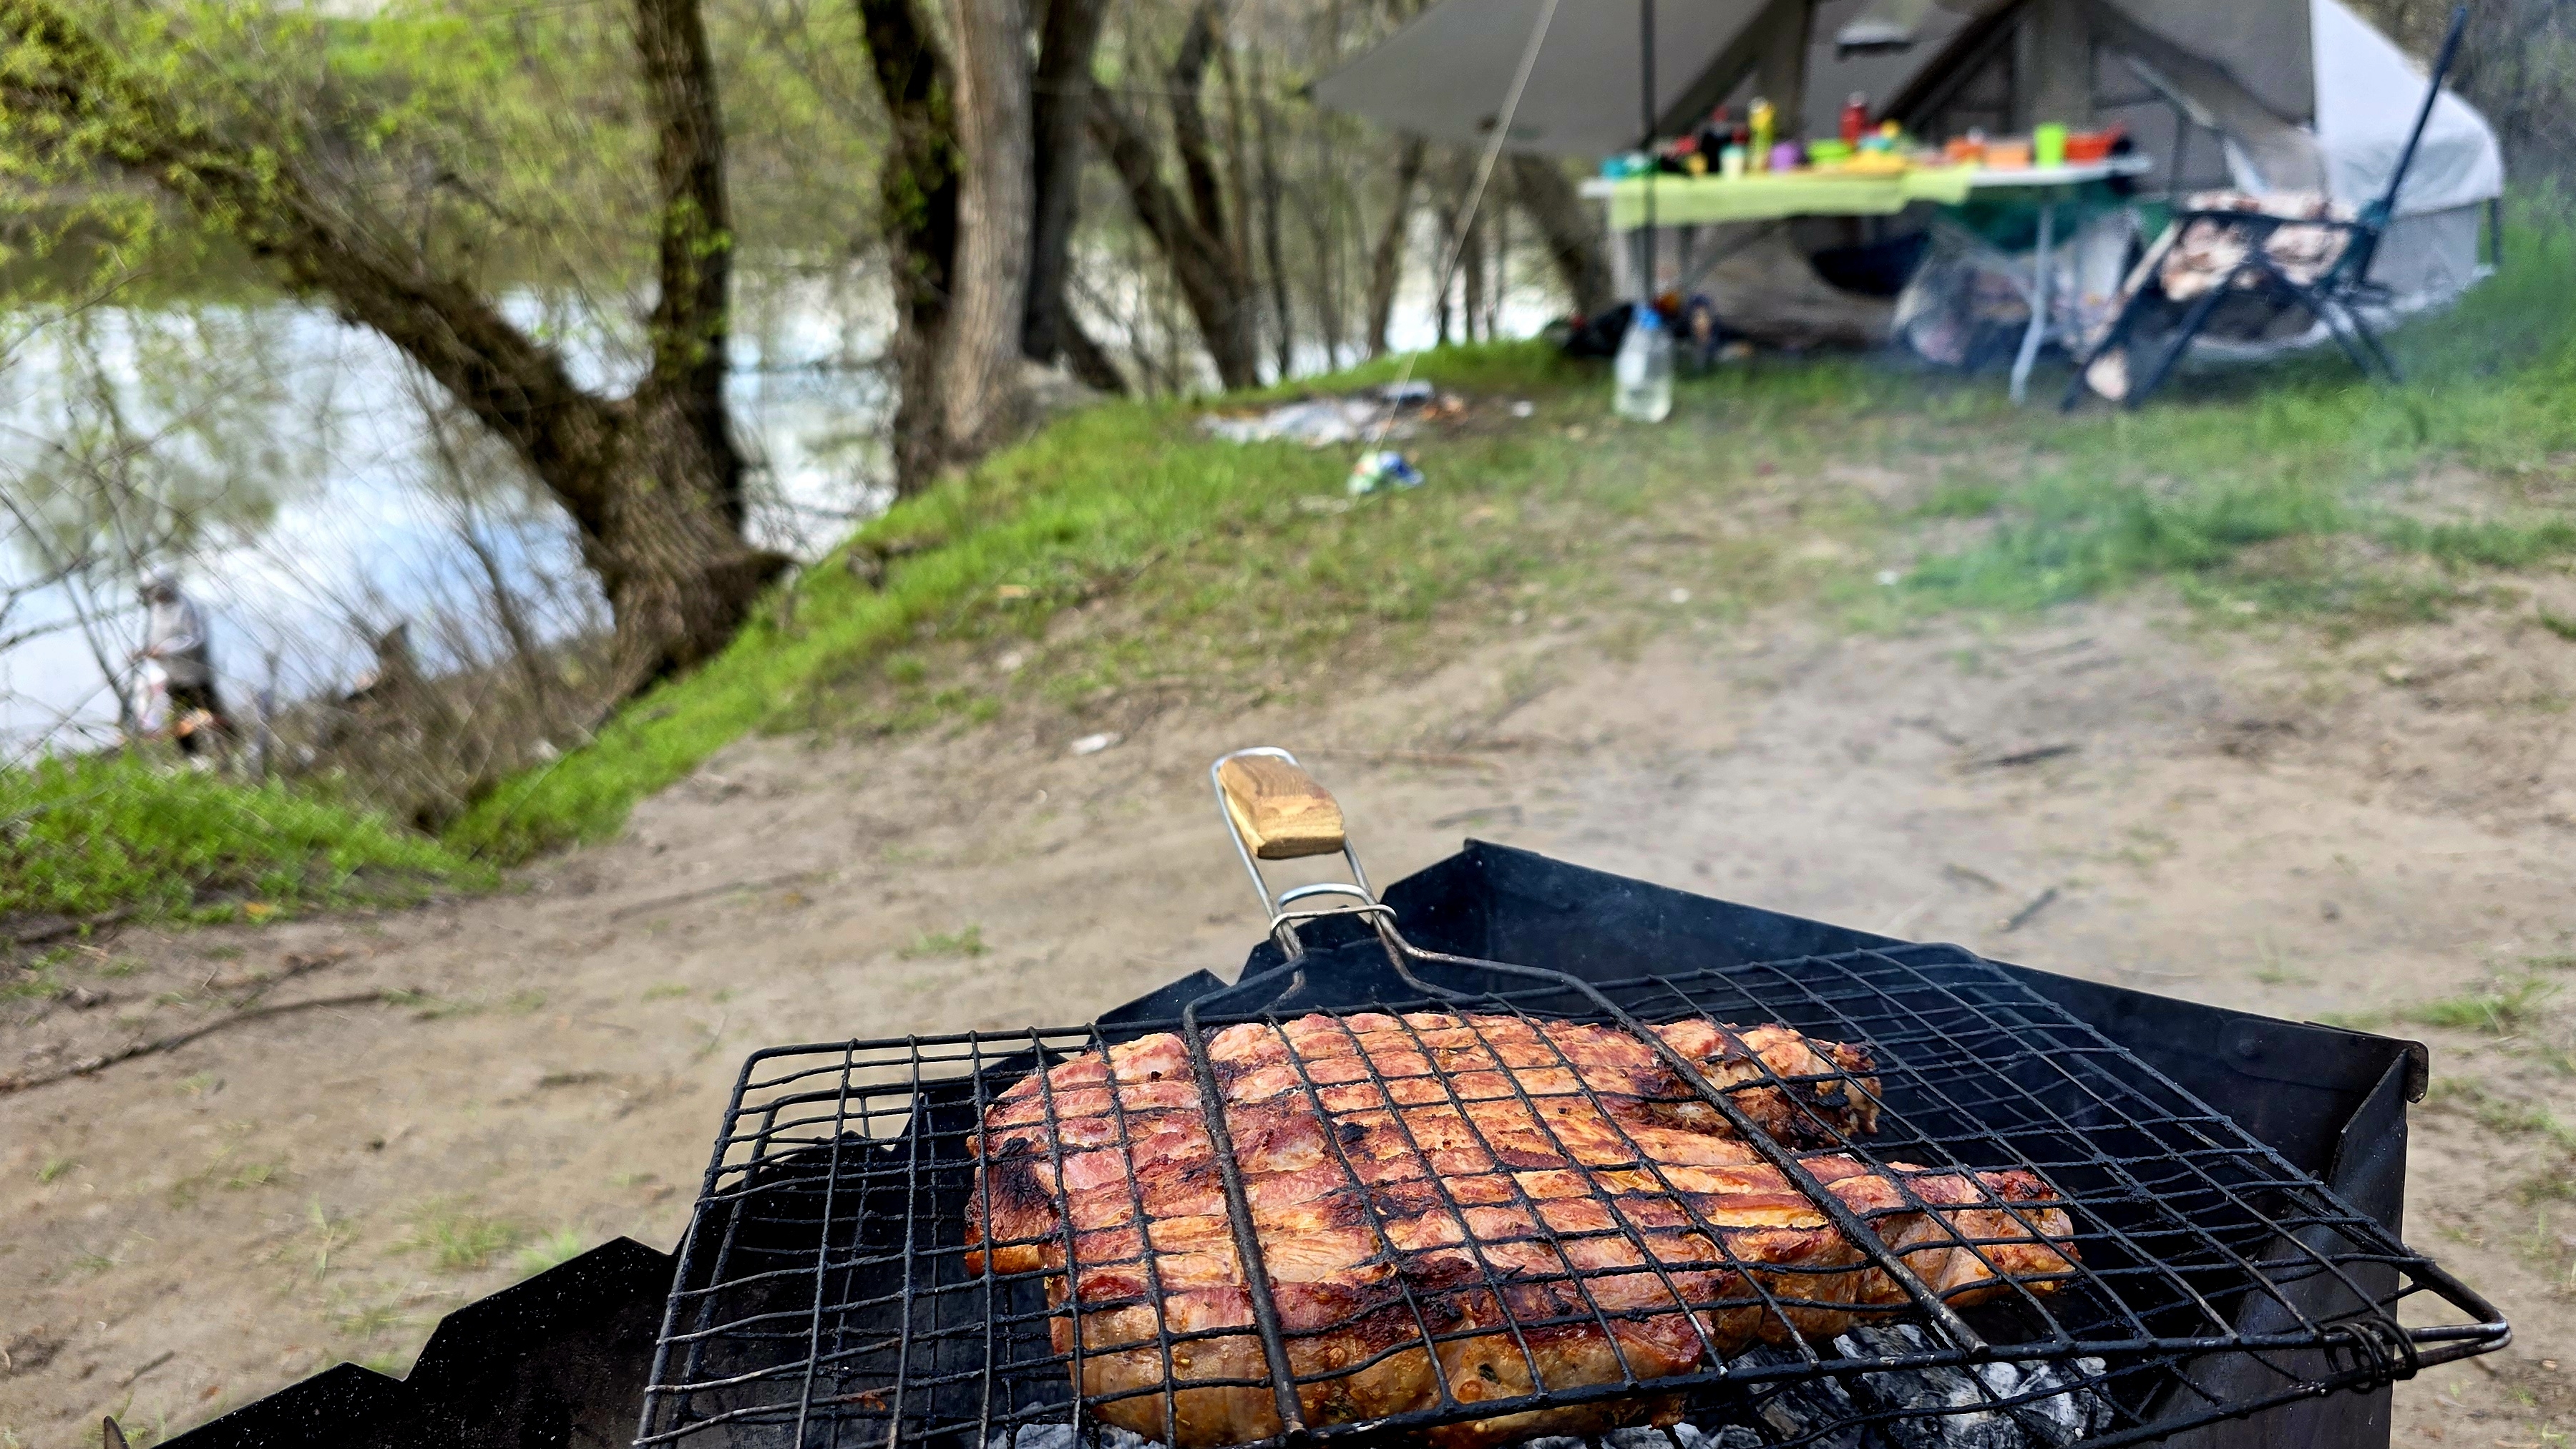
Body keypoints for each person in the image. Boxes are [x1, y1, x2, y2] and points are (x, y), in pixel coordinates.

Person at [135, 571, 229, 757]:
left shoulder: (187, 606)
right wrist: (145, 651)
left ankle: (229, 750)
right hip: (172, 675)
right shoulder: (154, 612)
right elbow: (152, 638)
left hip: (195, 673)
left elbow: (195, 638)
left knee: (211, 713)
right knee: (180, 716)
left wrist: (165, 650)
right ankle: (193, 758)